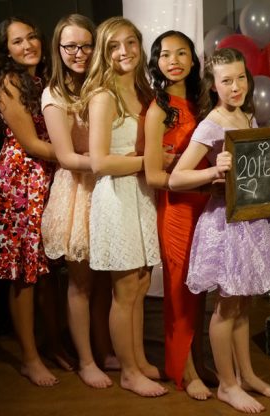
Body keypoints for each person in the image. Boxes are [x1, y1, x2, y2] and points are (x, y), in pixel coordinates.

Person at [169, 48, 270, 413]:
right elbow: (177, 178)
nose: (236, 86)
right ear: (213, 85)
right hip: (226, 226)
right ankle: (227, 384)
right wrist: (213, 170)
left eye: (240, 77)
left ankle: (247, 376)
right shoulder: (211, 124)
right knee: (226, 309)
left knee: (243, 306)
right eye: (226, 80)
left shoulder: (247, 117)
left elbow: (255, 171)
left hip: (253, 220)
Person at [79, 16, 167, 397]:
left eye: (130, 43)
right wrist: (149, 162)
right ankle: (129, 371)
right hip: (116, 196)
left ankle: (139, 359)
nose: (124, 52)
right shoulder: (103, 95)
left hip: (141, 195)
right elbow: (99, 162)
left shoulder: (144, 91)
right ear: (104, 52)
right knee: (125, 289)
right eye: (114, 46)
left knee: (142, 280)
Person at [0, 16, 70, 386]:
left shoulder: (42, 79)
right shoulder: (9, 82)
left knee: (50, 271)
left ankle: (52, 345)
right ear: (6, 51)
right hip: (21, 182)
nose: (28, 45)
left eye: (32, 37)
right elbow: (32, 144)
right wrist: (80, 154)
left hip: (48, 177)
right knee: (23, 274)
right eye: (17, 41)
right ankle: (30, 358)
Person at [40, 14, 115, 389]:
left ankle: (103, 350)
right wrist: (109, 165)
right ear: (59, 49)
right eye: (70, 45)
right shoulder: (54, 93)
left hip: (106, 187)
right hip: (78, 190)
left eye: (85, 44)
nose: (79, 53)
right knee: (81, 283)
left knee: (105, 282)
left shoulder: (103, 85)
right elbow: (66, 157)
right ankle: (86, 360)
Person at [144, 30, 214, 400]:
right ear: (156, 62)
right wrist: (200, 185)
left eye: (182, 53)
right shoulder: (158, 110)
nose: (174, 60)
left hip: (207, 207)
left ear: (192, 60)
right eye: (165, 54)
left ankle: (200, 360)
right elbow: (155, 175)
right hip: (176, 210)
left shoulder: (204, 106)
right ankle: (184, 370)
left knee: (200, 288)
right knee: (178, 289)